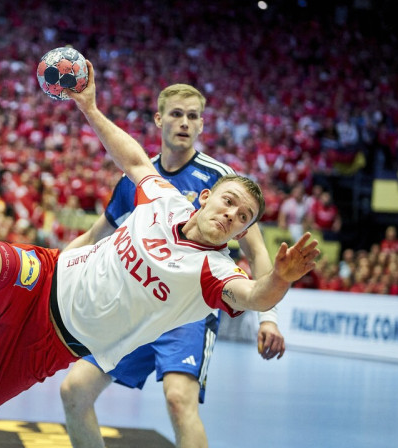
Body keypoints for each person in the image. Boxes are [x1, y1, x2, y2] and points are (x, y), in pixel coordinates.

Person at [0, 60, 319, 448]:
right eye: (229, 202)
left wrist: (281, 281)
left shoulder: (216, 270)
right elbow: (130, 158)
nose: (232, 215)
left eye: (243, 216)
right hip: (47, 275)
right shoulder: (165, 196)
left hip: (54, 342)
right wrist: (88, 107)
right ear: (205, 195)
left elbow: (253, 294)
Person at [59, 83, 285, 448]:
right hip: (137, 307)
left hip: (189, 312)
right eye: (177, 114)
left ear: (201, 125)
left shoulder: (220, 178)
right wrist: (53, 271)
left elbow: (257, 252)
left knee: (179, 400)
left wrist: (269, 316)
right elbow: (94, 236)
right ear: (159, 118)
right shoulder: (137, 175)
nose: (184, 122)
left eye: (193, 116)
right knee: (74, 390)